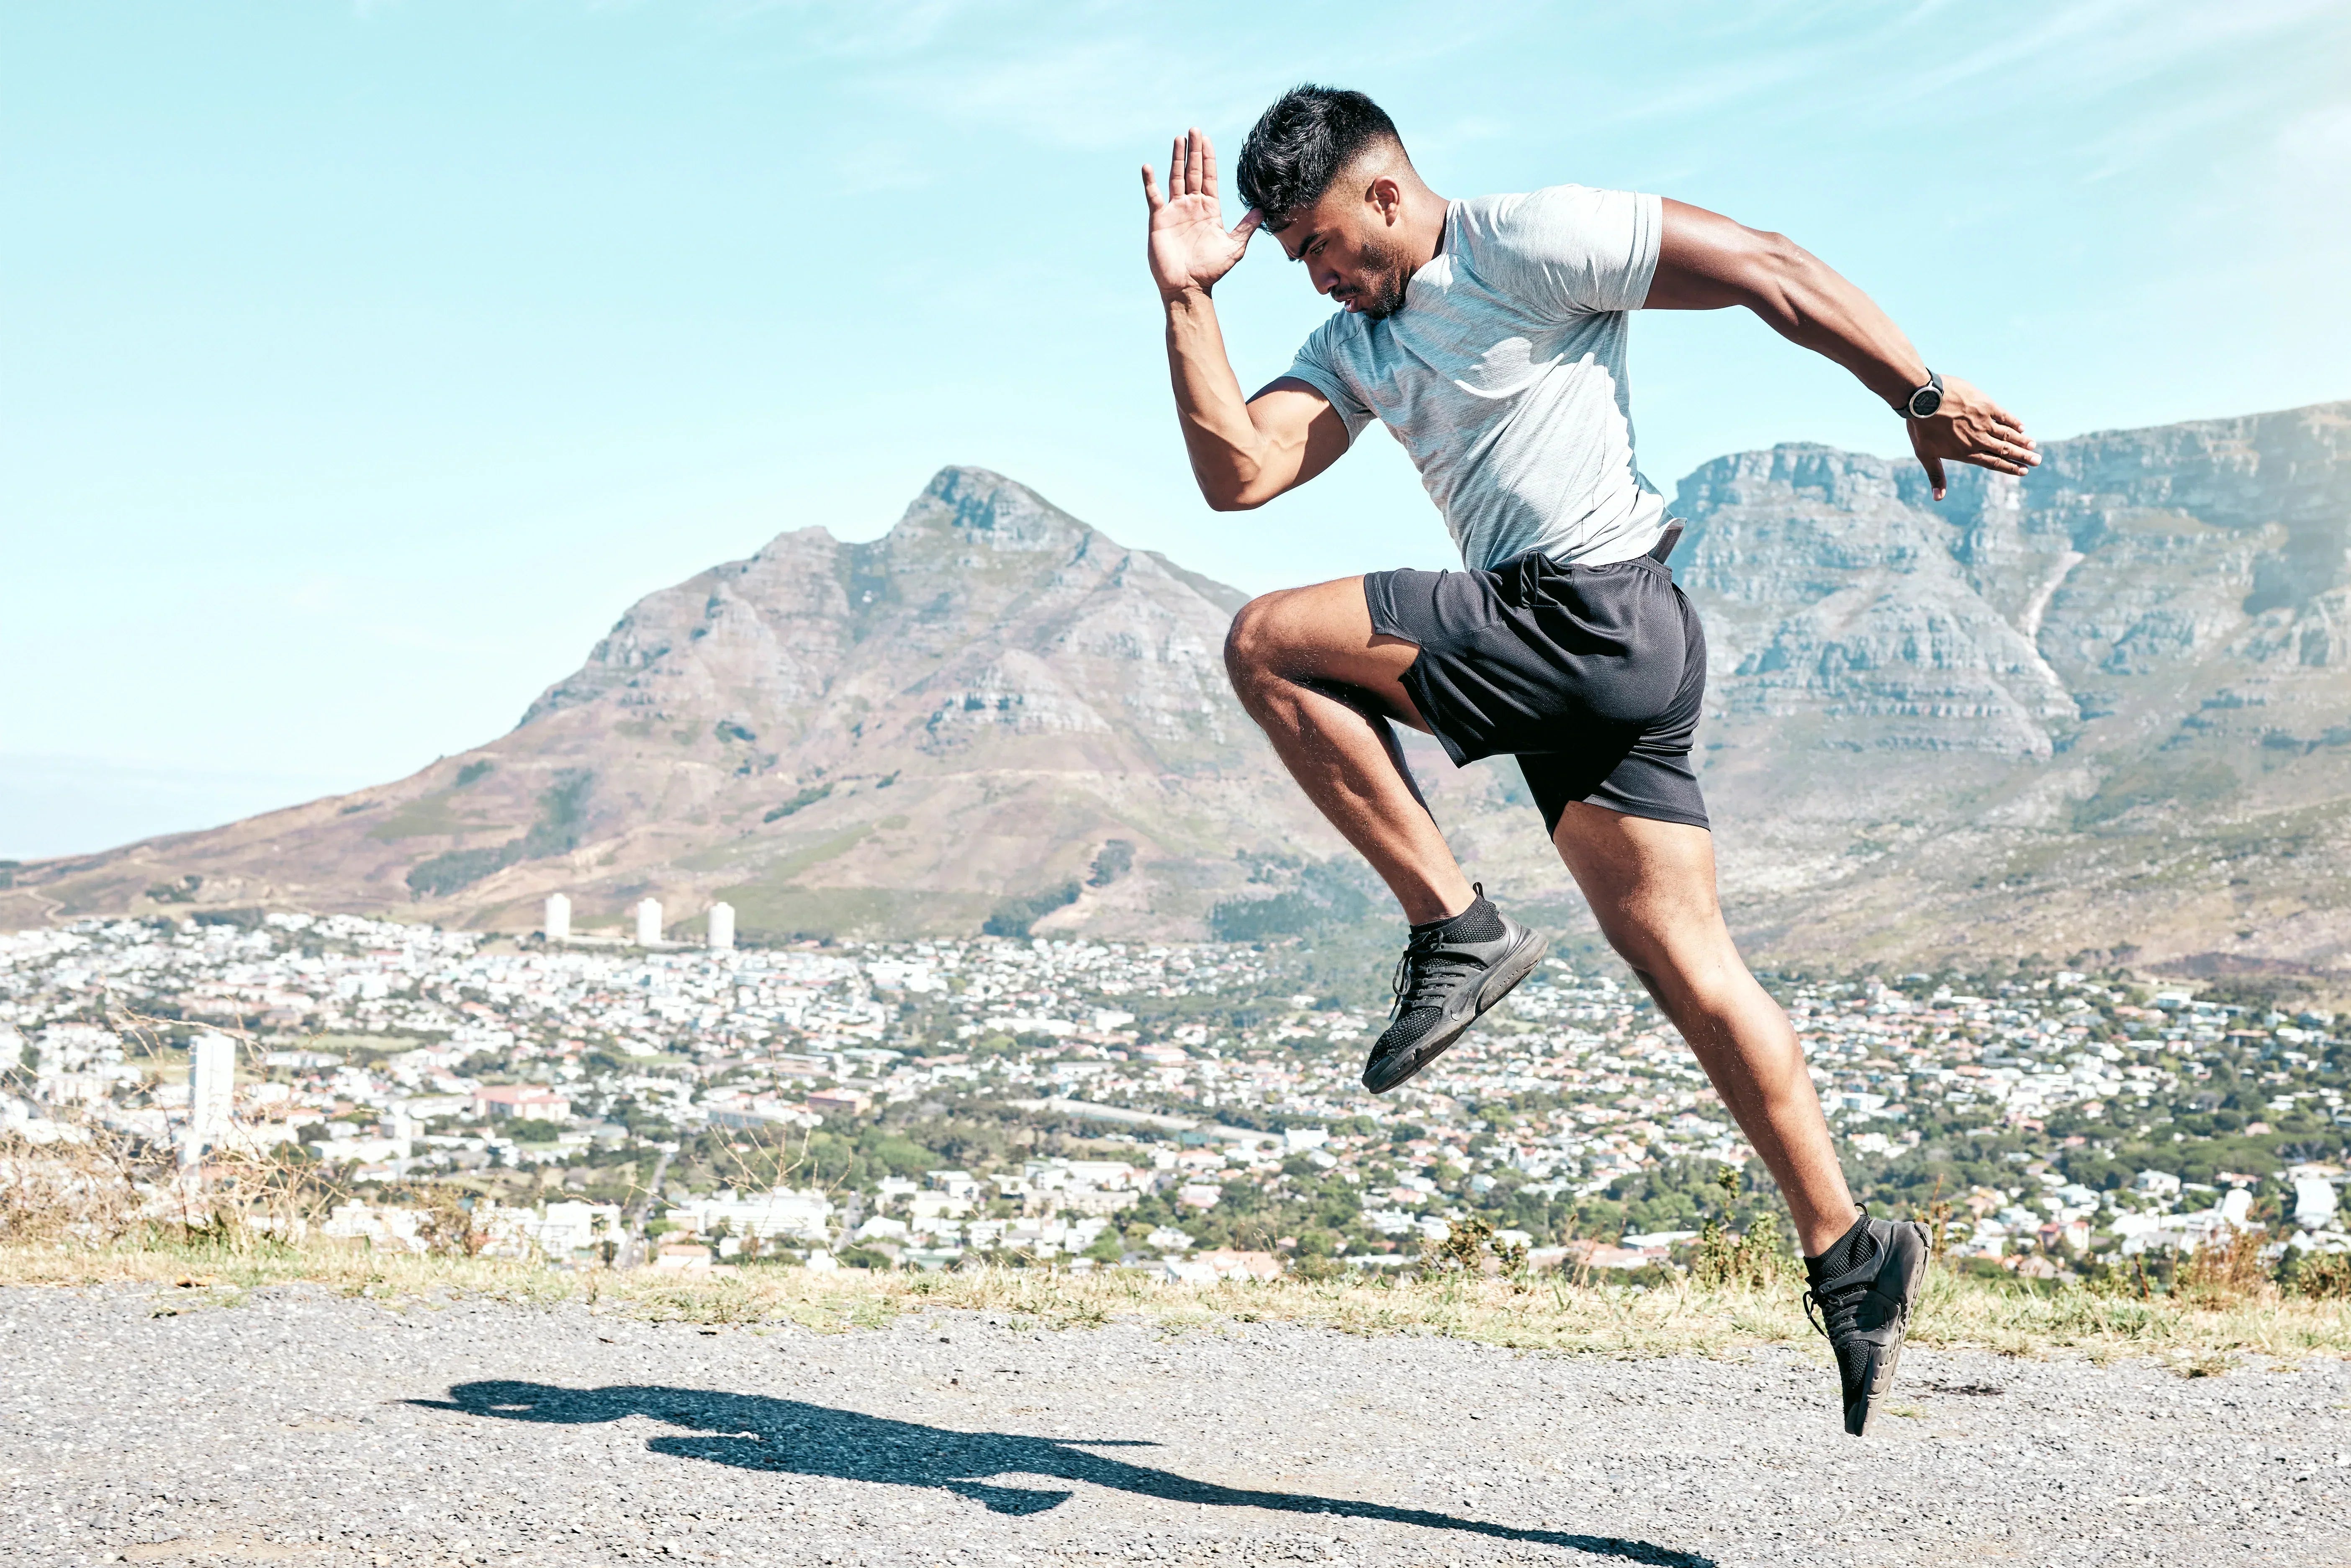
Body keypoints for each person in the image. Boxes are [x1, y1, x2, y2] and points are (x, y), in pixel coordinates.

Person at [1140, 85, 2039, 1436]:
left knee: (1266, 641)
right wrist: (1185, 301)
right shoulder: (1356, 344)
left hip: (1585, 609)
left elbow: (1765, 269)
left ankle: (1454, 927)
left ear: (1385, 193)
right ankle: (1849, 1252)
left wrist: (1912, 388)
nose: (1313, 273)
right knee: (1693, 971)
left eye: (1319, 242)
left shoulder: (1526, 241)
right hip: (1604, 663)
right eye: (1289, 261)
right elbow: (1240, 474)